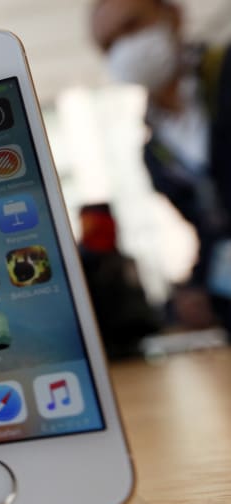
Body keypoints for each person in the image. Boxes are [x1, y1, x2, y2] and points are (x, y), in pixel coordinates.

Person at [91, 0, 231, 330]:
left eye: (132, 26)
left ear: (173, 15)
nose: (125, 47)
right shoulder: (154, 151)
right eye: (109, 44)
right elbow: (213, 230)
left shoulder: (224, 75)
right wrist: (195, 292)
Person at [77, 203, 160, 359]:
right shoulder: (80, 263)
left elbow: (137, 307)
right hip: (100, 345)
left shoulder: (123, 262)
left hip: (129, 344)